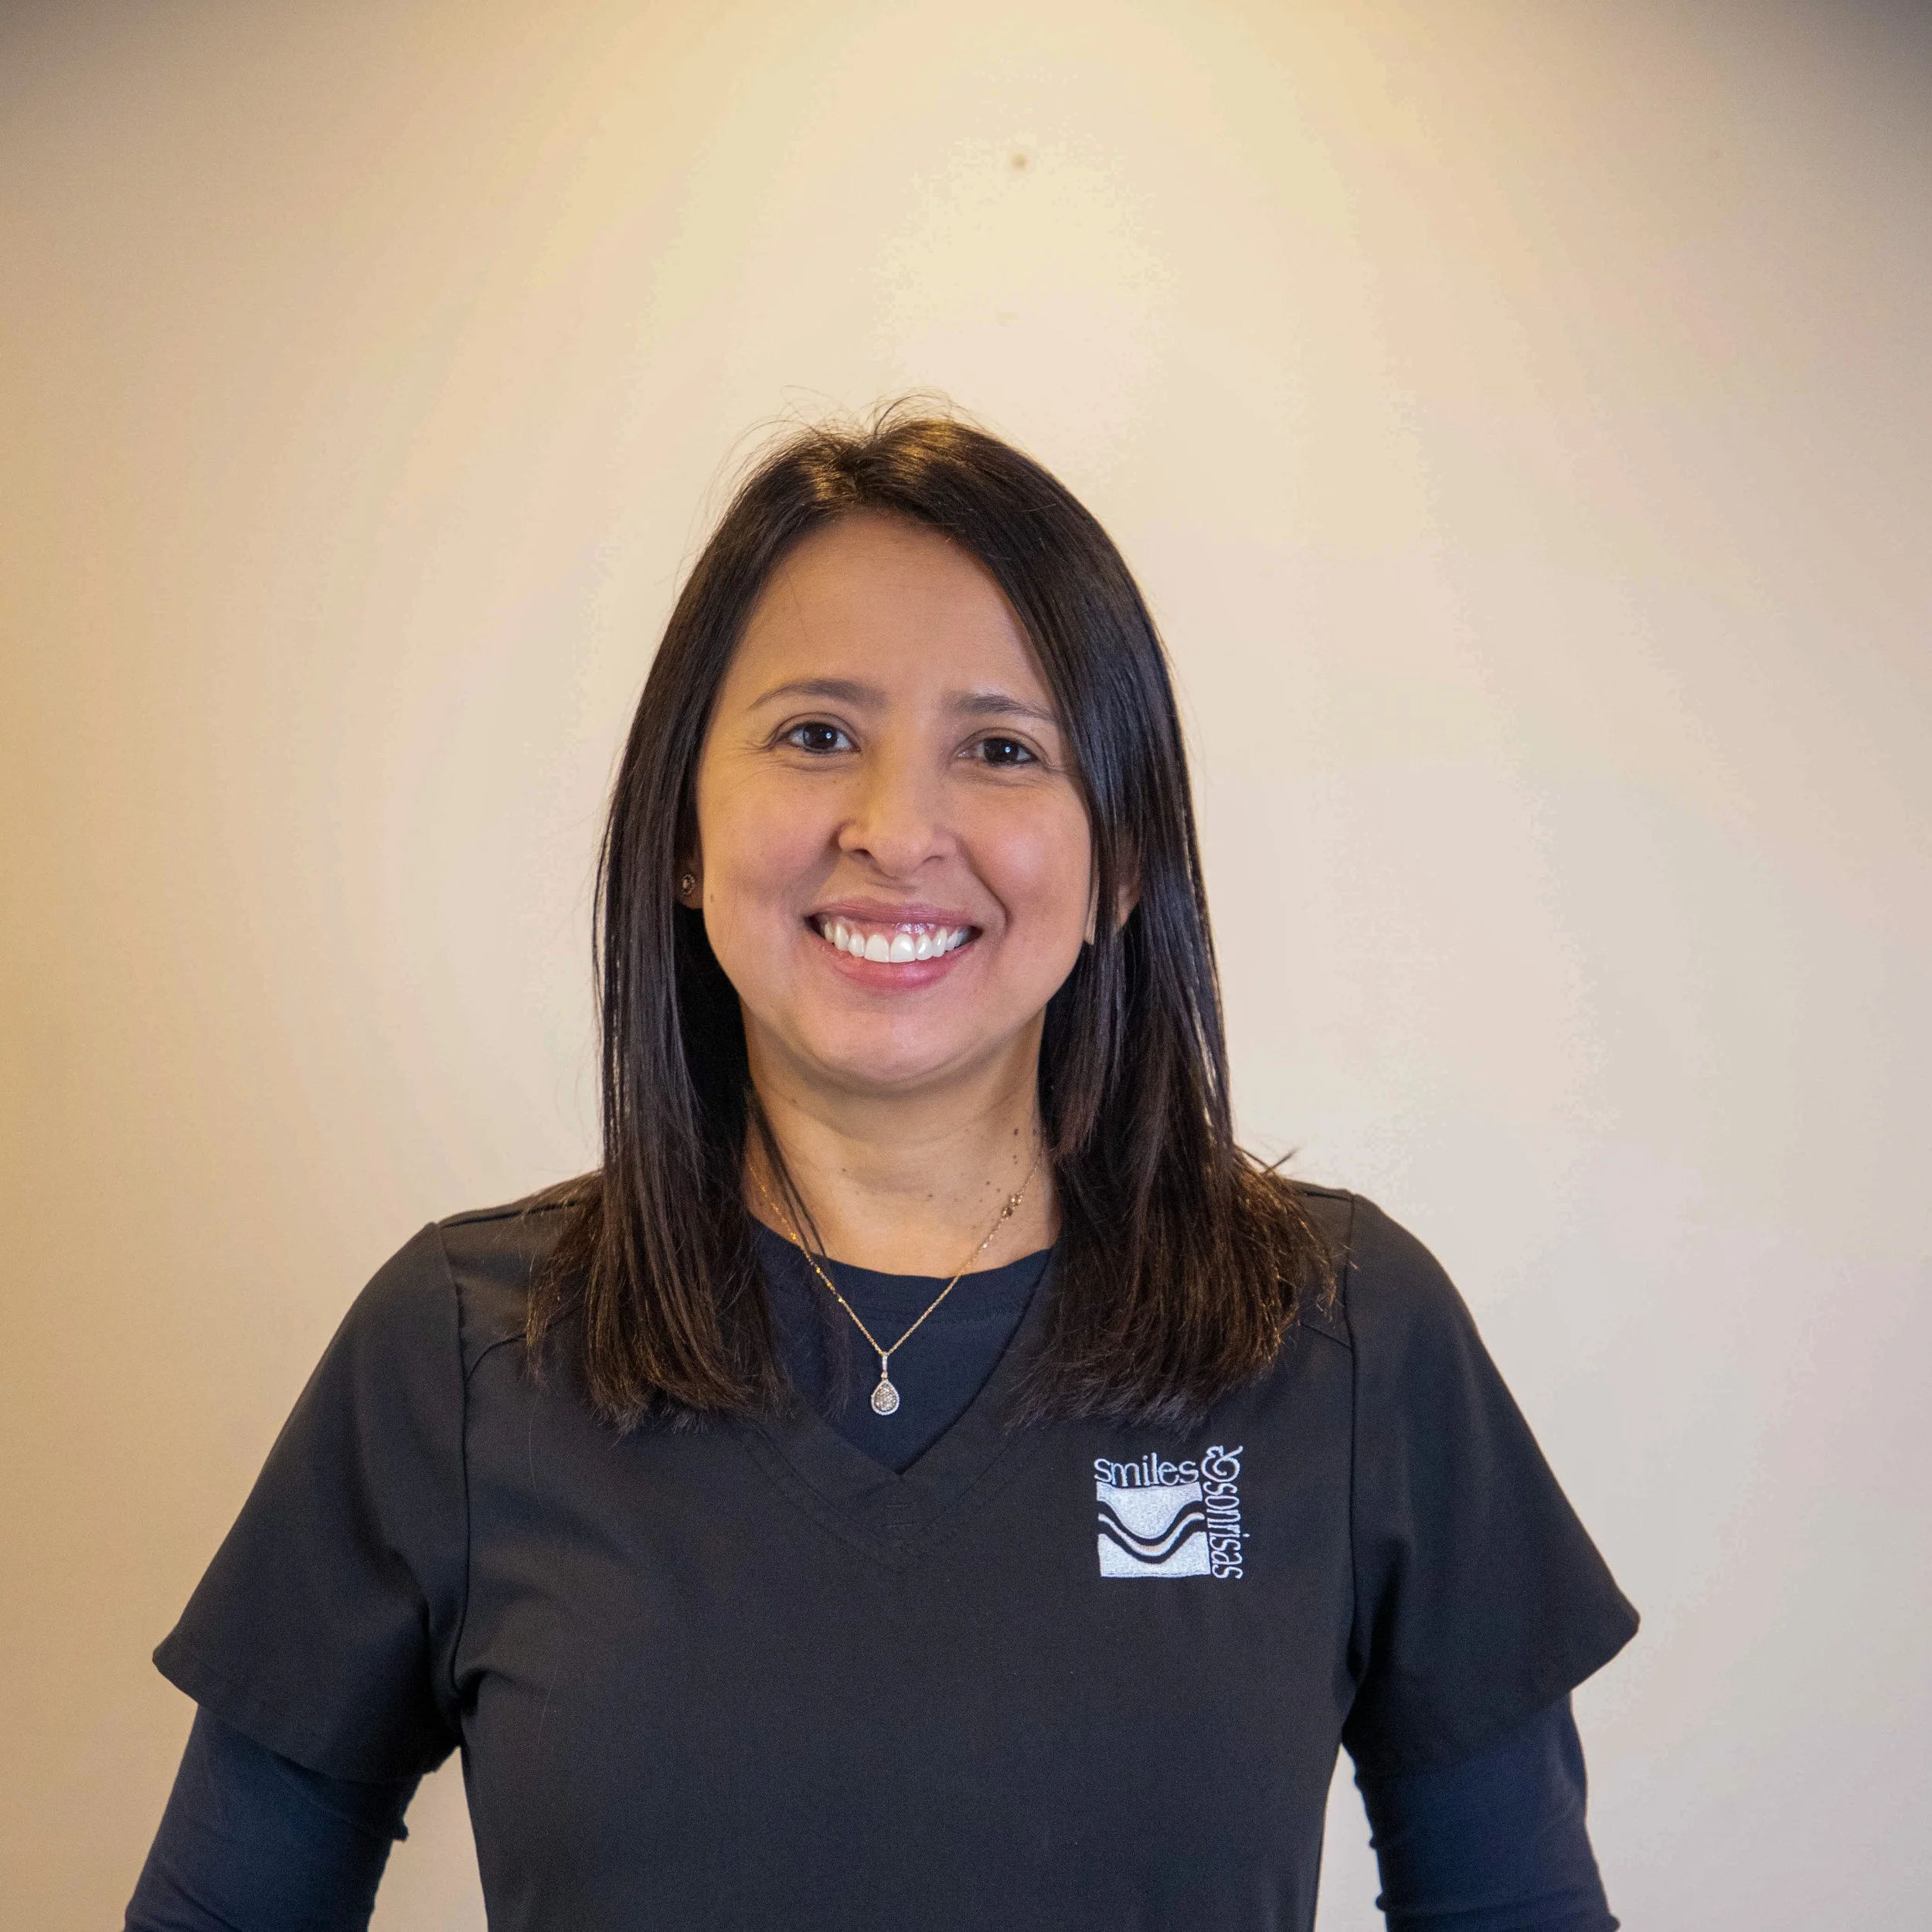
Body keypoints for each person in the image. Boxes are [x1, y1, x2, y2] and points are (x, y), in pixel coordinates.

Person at [127, 410, 1637, 1931]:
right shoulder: (460, 1350)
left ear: (1119, 857)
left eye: (1000, 748)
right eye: (816, 734)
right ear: (681, 828)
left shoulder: (1347, 1336)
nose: (896, 829)